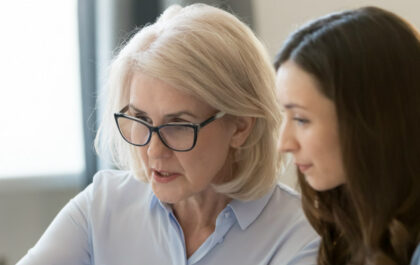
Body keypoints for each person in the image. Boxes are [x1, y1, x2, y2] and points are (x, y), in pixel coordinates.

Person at [17, 4, 319, 265]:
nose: (153, 151)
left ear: (240, 126)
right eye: (141, 119)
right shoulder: (103, 205)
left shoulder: (299, 236)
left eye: (177, 125)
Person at [275, 6, 420, 265]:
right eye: (283, 117)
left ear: (369, 121)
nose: (283, 144)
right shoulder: (349, 228)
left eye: (300, 119)